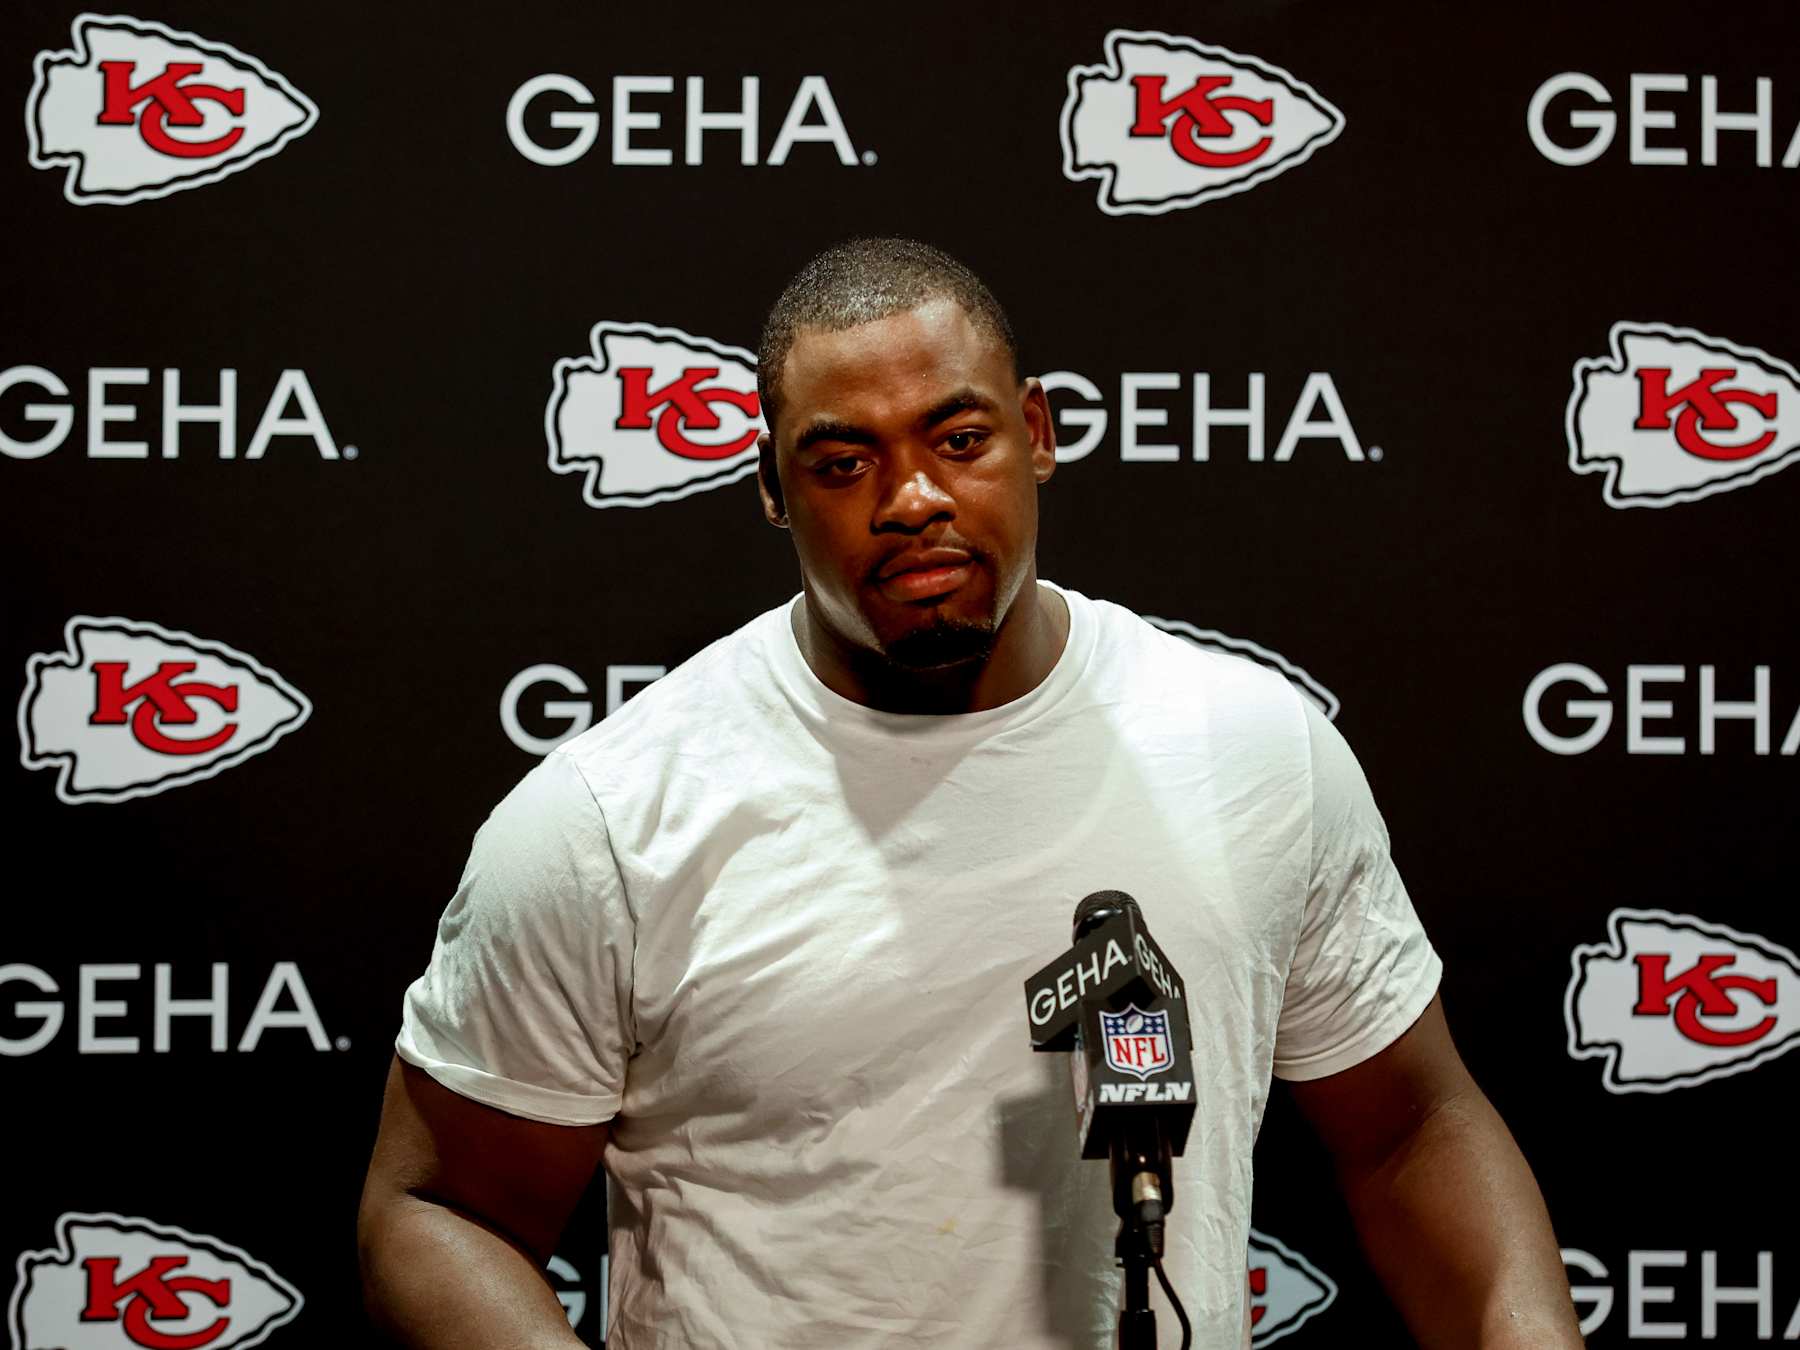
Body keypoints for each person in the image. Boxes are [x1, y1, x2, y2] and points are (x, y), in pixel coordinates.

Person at [357, 238, 1583, 1348]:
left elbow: (1410, 1130)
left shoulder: (1253, 750)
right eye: (844, 462)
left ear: (1036, 433)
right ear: (773, 488)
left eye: (958, 440)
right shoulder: (611, 820)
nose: (913, 501)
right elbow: (437, 1212)